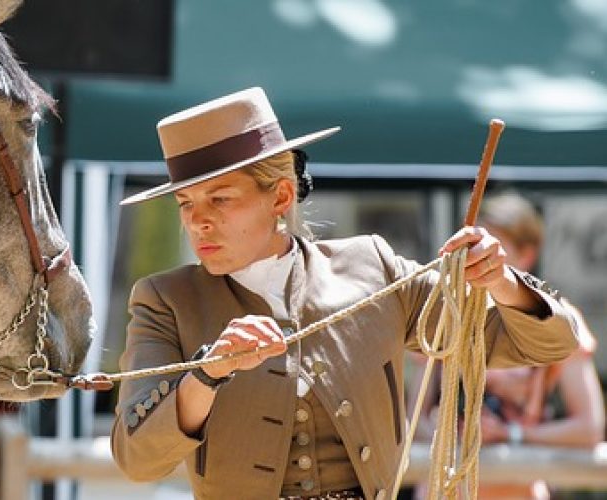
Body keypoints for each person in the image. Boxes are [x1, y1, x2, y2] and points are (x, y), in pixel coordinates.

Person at [109, 87, 579, 500]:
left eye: (220, 199)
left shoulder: (372, 268)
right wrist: (207, 376)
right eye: (186, 204)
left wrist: (499, 280)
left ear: (280, 197)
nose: (198, 221)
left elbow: (547, 343)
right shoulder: (164, 300)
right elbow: (137, 460)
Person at [413, 192, 603, 499]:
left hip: (520, 490)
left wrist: (513, 434)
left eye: (491, 247)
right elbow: (413, 425)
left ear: (528, 254)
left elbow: (589, 428)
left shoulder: (557, 320)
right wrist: (455, 434)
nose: (477, 256)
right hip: (445, 490)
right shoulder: (441, 313)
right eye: (472, 247)